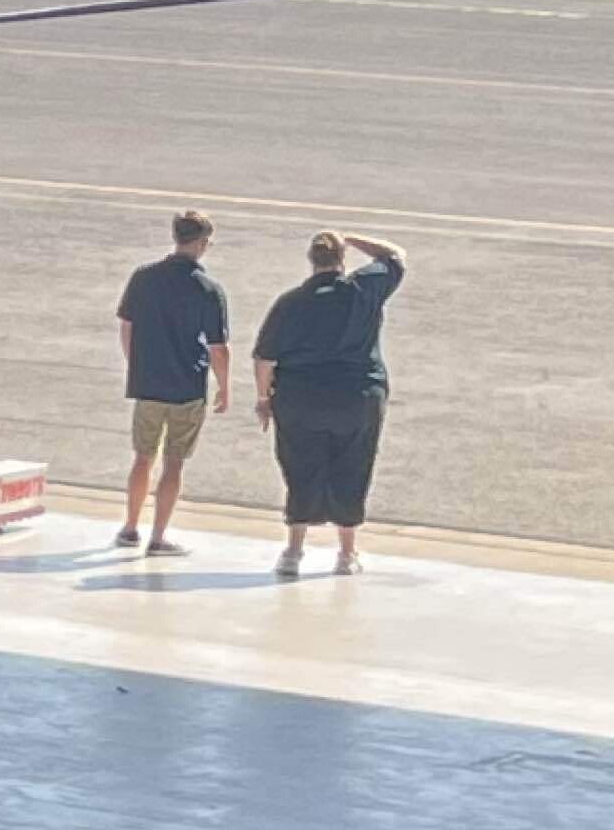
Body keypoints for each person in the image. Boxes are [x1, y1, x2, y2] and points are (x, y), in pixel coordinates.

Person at [248, 228, 409, 576]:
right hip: (357, 395)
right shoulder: (363, 289)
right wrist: (352, 238)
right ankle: (346, 553)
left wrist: (264, 399)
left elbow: (264, 359)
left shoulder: (290, 302)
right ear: (341, 259)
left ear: (311, 260)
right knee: (354, 465)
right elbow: (395, 256)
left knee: (299, 467)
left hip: (300, 397)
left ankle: (293, 550)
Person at [108, 210, 229, 554]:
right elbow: (219, 348)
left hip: (148, 384)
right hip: (187, 386)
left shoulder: (144, 278)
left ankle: (130, 526)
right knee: (174, 462)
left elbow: (127, 326)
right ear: (202, 243)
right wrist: (224, 386)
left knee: (142, 456)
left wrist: (137, 364)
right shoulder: (208, 289)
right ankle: (158, 536)